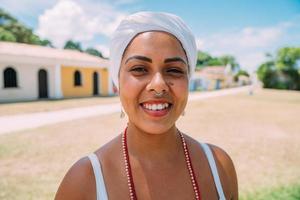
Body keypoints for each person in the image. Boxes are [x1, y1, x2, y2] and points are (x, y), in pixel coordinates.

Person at [55, 11, 238, 200]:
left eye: (174, 70)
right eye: (139, 69)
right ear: (117, 82)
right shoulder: (84, 181)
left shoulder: (219, 166)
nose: (158, 85)